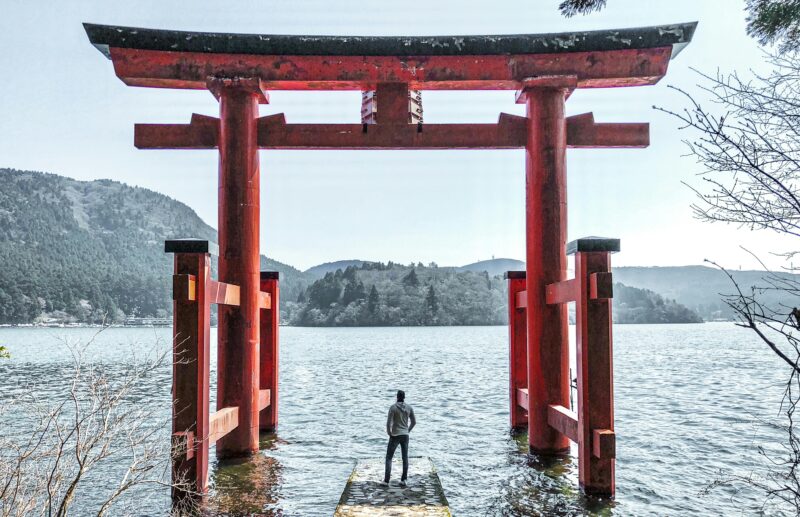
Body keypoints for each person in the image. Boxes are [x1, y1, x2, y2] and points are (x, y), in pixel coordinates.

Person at [382, 390, 416, 487]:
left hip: (395, 435)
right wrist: (407, 430)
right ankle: (403, 480)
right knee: (405, 457)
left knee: (389, 457)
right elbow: (414, 422)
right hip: (405, 435)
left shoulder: (393, 408)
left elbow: (389, 423)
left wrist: (389, 433)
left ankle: (386, 481)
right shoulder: (409, 407)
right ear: (404, 397)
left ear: (397, 397)